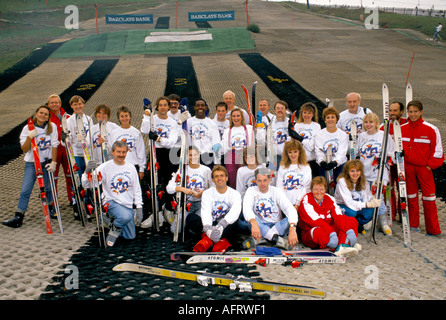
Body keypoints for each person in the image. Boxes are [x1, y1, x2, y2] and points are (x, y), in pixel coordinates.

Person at [3, 106, 59, 228]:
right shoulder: (27, 128)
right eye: (41, 113)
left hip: (47, 162)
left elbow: (54, 145)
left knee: (48, 187)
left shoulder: (52, 127)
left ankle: (50, 208)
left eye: (46, 114)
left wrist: (54, 162)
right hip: (32, 163)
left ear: (48, 116)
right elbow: (24, 149)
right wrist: (29, 136)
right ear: (36, 114)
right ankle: (19, 215)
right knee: (25, 189)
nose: (43, 115)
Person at [82, 140, 143, 247]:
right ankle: (115, 228)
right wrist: (87, 172)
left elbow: (136, 189)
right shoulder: (104, 167)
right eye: (118, 152)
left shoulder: (131, 167)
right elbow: (89, 184)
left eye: (124, 152)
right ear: (112, 152)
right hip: (111, 201)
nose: (121, 155)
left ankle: (110, 223)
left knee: (130, 236)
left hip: (127, 205)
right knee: (125, 217)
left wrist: (139, 207)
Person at [401, 100, 444, 236]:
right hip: (408, 167)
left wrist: (429, 166)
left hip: (424, 168)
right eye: (410, 112)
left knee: (429, 198)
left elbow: (438, 151)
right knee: (411, 196)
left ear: (421, 112)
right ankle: (413, 224)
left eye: (415, 112)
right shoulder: (402, 128)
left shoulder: (431, 129)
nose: (413, 114)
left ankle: (433, 229)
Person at [140, 96, 179, 227]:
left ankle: (168, 209)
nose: (163, 107)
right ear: (157, 107)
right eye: (160, 105)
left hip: (169, 155)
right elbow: (144, 130)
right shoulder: (153, 119)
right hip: (155, 153)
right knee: (153, 183)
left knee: (169, 181)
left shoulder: (172, 122)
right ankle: (155, 212)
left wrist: (158, 139)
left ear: (168, 107)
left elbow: (171, 142)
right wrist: (146, 114)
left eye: (165, 105)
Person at [299, 176, 360, 257]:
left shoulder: (330, 199)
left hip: (330, 231)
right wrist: (331, 233)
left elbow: (338, 216)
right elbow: (314, 221)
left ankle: (342, 246)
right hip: (311, 232)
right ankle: (337, 246)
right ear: (311, 190)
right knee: (318, 231)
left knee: (350, 221)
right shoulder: (306, 199)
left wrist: (349, 229)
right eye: (316, 189)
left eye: (321, 189)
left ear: (325, 189)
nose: (319, 192)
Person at [243, 167, 298, 250]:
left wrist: (292, 228)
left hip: (277, 226)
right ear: (256, 180)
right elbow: (246, 209)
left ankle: (263, 239)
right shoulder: (251, 191)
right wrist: (253, 223)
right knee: (250, 220)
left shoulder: (276, 191)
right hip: (259, 226)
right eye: (259, 180)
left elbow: (289, 208)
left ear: (269, 180)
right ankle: (279, 241)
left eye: (265, 180)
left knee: (291, 218)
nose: (262, 184)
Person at [357, 112, 394, 235]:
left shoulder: (384, 135)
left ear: (376, 123)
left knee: (379, 196)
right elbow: (356, 152)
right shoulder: (362, 136)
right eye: (366, 122)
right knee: (367, 195)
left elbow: (391, 152)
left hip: (379, 172)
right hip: (365, 171)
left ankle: (383, 221)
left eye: (371, 122)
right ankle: (370, 219)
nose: (368, 125)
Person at [193, 165, 242, 252]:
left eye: (222, 176)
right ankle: (216, 240)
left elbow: (235, 211)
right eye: (216, 176)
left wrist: (221, 226)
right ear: (213, 180)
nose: (219, 178)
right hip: (212, 223)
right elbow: (206, 211)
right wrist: (208, 229)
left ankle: (208, 241)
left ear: (227, 178)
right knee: (191, 219)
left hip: (225, 225)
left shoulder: (235, 194)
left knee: (234, 221)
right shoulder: (207, 193)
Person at [165, 146, 213, 237]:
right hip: (187, 205)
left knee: (200, 227)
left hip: (201, 205)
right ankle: (187, 223)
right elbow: (169, 188)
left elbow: (213, 188)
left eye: (195, 154)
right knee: (174, 230)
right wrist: (183, 189)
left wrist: (203, 192)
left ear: (199, 155)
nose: (193, 157)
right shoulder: (182, 170)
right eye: (190, 155)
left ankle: (190, 225)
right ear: (187, 156)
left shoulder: (206, 170)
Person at [334, 160, 383, 233]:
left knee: (370, 212)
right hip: (343, 205)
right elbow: (349, 203)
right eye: (352, 171)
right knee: (352, 213)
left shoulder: (363, 181)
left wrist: (373, 198)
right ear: (347, 172)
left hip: (357, 204)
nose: (355, 174)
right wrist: (366, 204)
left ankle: (358, 224)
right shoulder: (342, 182)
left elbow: (367, 196)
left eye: (358, 170)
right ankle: (349, 225)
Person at [380, 101, 407, 222]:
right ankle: (390, 214)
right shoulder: (383, 126)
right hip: (390, 163)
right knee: (389, 189)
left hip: (402, 163)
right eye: (390, 110)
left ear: (401, 111)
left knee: (403, 188)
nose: (392, 113)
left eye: (395, 110)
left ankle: (404, 215)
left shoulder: (406, 124)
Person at [47, 94, 73, 204]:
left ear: (60, 104)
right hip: (53, 151)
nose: (54, 104)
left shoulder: (68, 117)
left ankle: (72, 199)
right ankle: (52, 202)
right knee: (53, 177)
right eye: (52, 102)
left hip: (66, 150)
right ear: (48, 105)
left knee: (70, 175)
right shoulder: (46, 118)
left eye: (56, 102)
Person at [109, 106, 146, 180]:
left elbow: (141, 151)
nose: (124, 118)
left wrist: (141, 168)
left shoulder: (136, 132)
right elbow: (111, 151)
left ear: (130, 117)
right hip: (118, 166)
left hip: (133, 166)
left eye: (126, 116)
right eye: (122, 116)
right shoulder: (114, 133)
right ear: (119, 118)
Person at [221, 108, 255, 189]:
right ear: (231, 118)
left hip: (244, 155)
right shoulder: (227, 130)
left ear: (242, 117)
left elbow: (252, 143)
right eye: (233, 116)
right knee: (232, 178)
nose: (236, 118)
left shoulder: (248, 128)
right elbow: (225, 145)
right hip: (231, 156)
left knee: (245, 176)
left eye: (238, 116)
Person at [314, 106, 349, 182]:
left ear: (336, 119)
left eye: (333, 117)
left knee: (339, 187)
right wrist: (321, 161)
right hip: (324, 165)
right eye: (328, 117)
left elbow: (342, 151)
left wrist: (335, 162)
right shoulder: (319, 134)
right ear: (325, 120)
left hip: (339, 165)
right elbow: (318, 150)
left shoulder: (342, 135)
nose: (330, 120)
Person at [288, 102, 322, 177]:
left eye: (309, 113)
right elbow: (294, 144)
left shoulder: (316, 126)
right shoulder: (297, 125)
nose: (306, 115)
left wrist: (300, 139)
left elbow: (311, 146)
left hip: (311, 161)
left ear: (313, 114)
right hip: (299, 162)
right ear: (301, 113)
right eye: (305, 112)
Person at [276, 140, 312, 210]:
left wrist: (297, 204)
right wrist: (285, 204)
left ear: (300, 152)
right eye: (290, 152)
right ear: (286, 153)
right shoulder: (282, 167)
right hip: (285, 205)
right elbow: (279, 187)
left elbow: (307, 188)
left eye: (295, 151)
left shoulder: (306, 167)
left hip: (301, 204)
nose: (293, 155)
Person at [186, 99, 221, 169]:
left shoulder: (212, 124)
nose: (200, 107)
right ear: (194, 108)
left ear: (206, 108)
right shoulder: (188, 122)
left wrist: (217, 162)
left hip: (207, 156)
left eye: (202, 105)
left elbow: (216, 144)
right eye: (197, 105)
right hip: (193, 157)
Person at [65, 95, 92, 178]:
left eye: (80, 104)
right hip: (78, 154)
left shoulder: (88, 119)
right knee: (81, 177)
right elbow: (68, 138)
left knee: (90, 177)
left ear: (83, 104)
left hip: (89, 153)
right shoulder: (69, 120)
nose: (78, 106)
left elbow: (92, 134)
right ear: (71, 106)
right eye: (75, 104)